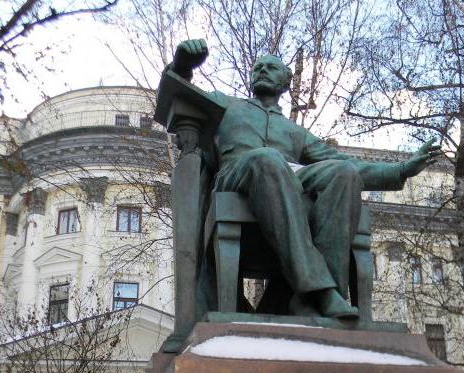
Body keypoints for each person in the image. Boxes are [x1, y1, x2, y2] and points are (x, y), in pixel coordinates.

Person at [171, 39, 441, 319]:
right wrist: (182, 65)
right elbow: (182, 95)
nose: (262, 70)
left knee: (343, 174)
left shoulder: (294, 132)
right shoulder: (226, 104)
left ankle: (314, 299)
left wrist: (401, 170)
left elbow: (344, 162)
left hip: (282, 182)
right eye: (258, 67)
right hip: (235, 177)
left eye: (271, 68)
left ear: (286, 82)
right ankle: (319, 290)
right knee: (268, 158)